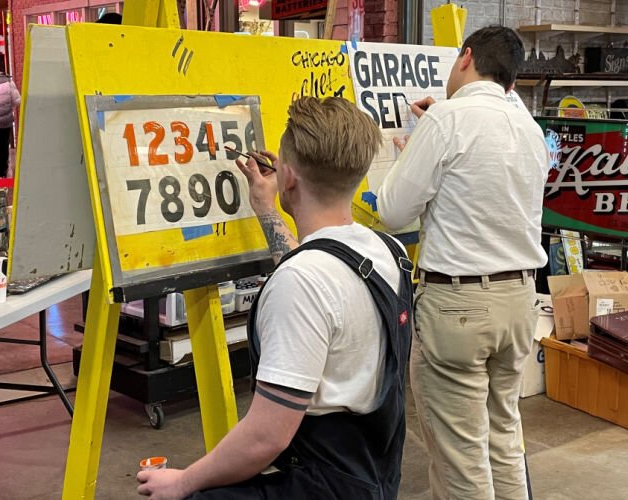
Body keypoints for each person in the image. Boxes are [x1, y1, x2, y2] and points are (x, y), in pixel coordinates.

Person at [137, 97, 414, 499]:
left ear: (288, 176)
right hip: (373, 478)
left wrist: (182, 482)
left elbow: (265, 439)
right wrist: (267, 208)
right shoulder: (390, 252)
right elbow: (321, 266)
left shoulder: (301, 282)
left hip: (321, 486)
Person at [377, 26, 550, 500]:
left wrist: (415, 150)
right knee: (503, 439)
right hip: (519, 299)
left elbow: (393, 211)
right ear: (511, 81)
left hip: (458, 305)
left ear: (466, 57)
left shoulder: (446, 120)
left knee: (460, 456)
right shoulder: (530, 129)